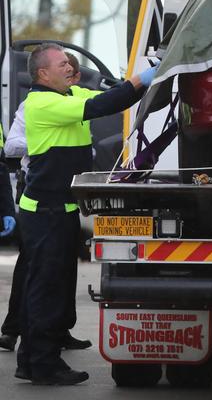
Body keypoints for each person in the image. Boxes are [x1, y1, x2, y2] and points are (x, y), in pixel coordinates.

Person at [15, 43, 157, 385]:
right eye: (62, 63)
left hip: (57, 211)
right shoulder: (42, 103)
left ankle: (30, 361)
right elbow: (102, 104)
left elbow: (117, 98)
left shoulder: (67, 95)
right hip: (46, 214)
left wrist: (148, 78)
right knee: (46, 291)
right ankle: (45, 365)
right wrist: (147, 74)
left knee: (45, 289)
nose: (70, 67)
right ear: (42, 74)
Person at [0, 53, 91, 353]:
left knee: (64, 266)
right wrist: (45, 137)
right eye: (65, 68)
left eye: (73, 71)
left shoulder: (71, 101)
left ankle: (60, 330)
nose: (70, 74)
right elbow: (13, 145)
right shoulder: (35, 105)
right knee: (33, 266)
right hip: (36, 186)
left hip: (62, 192)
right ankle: (13, 330)